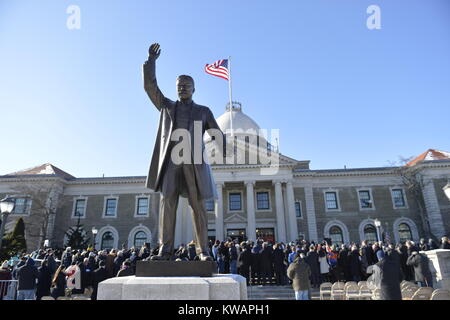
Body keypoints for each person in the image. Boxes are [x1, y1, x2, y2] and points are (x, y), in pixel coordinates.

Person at [144, 43, 226, 262]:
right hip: (171, 161)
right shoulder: (168, 107)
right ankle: (165, 250)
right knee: (167, 202)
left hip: (194, 163)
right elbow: (151, 88)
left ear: (194, 89)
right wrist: (151, 62)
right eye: (180, 86)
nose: (183, 88)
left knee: (198, 207)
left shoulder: (203, 111)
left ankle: (203, 252)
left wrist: (224, 148)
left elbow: (217, 134)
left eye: (187, 85)